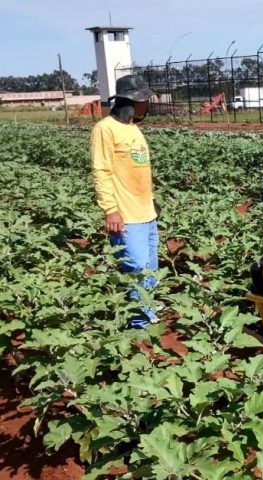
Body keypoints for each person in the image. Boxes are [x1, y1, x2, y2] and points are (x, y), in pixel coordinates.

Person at [91, 74, 159, 329]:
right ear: (132, 100)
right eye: (144, 100)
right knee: (137, 268)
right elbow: (101, 171)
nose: (147, 105)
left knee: (150, 269)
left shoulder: (133, 129)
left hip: (147, 214)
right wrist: (110, 210)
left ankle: (148, 313)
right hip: (126, 216)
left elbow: (138, 171)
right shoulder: (105, 129)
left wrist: (152, 202)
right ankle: (139, 325)